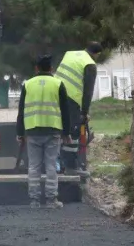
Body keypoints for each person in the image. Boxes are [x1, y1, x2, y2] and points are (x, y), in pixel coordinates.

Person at [17, 55, 71, 208]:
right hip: (52, 131)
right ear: (51, 69)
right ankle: (51, 200)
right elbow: (65, 111)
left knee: (33, 166)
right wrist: (66, 133)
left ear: (36, 68)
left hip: (32, 131)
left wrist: (20, 133)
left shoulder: (27, 85)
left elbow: (21, 111)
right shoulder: (58, 84)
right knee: (51, 165)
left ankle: (34, 200)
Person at [55, 42, 102, 176]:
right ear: (96, 54)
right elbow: (88, 92)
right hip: (71, 99)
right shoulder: (90, 64)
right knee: (73, 133)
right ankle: (70, 167)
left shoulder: (69, 54)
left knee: (56, 130)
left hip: (54, 94)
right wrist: (84, 113)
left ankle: (56, 164)